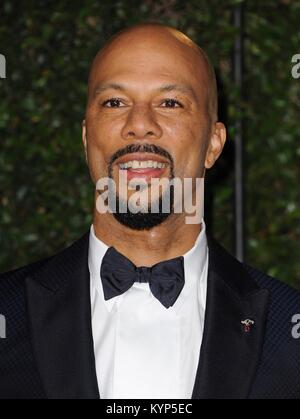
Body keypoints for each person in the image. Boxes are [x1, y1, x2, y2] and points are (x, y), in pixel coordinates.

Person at [0, 23, 299, 400]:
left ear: (213, 143)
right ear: (86, 137)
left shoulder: (290, 334)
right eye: (115, 102)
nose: (140, 124)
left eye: (170, 103)